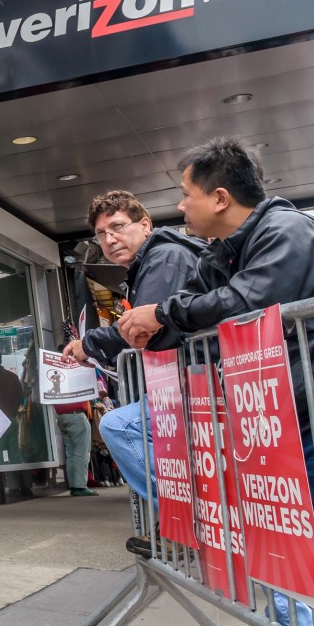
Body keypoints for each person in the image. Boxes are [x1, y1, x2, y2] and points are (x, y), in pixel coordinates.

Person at [119, 137, 314, 626]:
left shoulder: (286, 231)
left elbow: (244, 300)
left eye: (187, 194)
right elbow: (194, 306)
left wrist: (160, 313)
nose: (180, 206)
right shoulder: (222, 253)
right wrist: (153, 324)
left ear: (221, 198)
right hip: (294, 424)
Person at [64, 190, 203, 499]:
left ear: (145, 225)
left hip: (197, 383)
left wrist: (87, 345)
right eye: (101, 233)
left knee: (118, 426)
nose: (110, 239)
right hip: (183, 382)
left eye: (118, 227)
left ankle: (182, 510)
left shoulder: (166, 257)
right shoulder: (151, 262)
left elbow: (140, 329)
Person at [54, 381, 97, 497]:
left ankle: (74, 486)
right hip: (76, 414)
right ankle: (80, 486)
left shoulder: (57, 383)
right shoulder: (73, 377)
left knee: (71, 452)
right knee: (82, 452)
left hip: (61, 415)